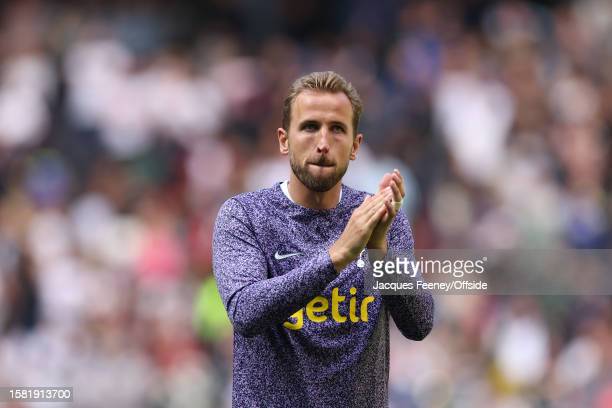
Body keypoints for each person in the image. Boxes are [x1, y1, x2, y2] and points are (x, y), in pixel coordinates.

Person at [212, 71, 434, 407]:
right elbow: (245, 311)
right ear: (284, 140)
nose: (323, 143)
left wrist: (378, 252)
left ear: (355, 146)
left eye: (337, 129)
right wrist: (337, 255)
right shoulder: (245, 215)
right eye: (310, 127)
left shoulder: (381, 219)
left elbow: (419, 324)